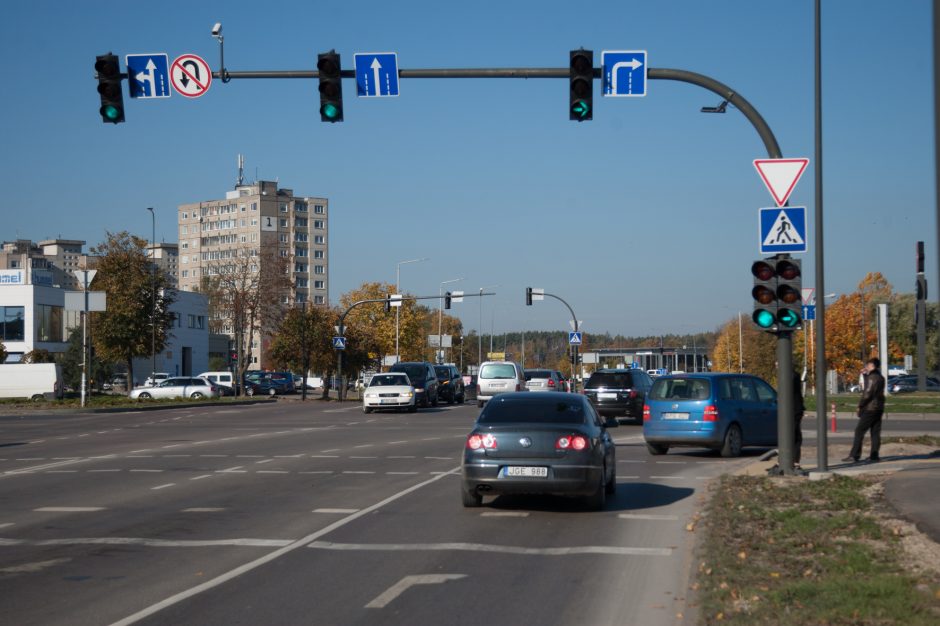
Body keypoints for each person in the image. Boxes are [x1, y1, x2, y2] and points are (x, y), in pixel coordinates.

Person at [844, 357, 886, 463]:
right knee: (875, 432)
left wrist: (860, 405)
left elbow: (868, 393)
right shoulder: (880, 377)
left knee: (859, 431)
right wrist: (864, 375)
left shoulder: (872, 377)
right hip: (879, 408)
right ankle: (874, 455)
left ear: (872, 366)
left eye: (867, 365)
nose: (866, 367)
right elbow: (871, 387)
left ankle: (854, 455)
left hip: (870, 408)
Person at [793, 369, 806, 468]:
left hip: (794, 410)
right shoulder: (794, 375)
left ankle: (795, 461)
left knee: (795, 436)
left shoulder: (792, 376)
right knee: (795, 436)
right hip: (795, 409)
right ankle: (794, 461)